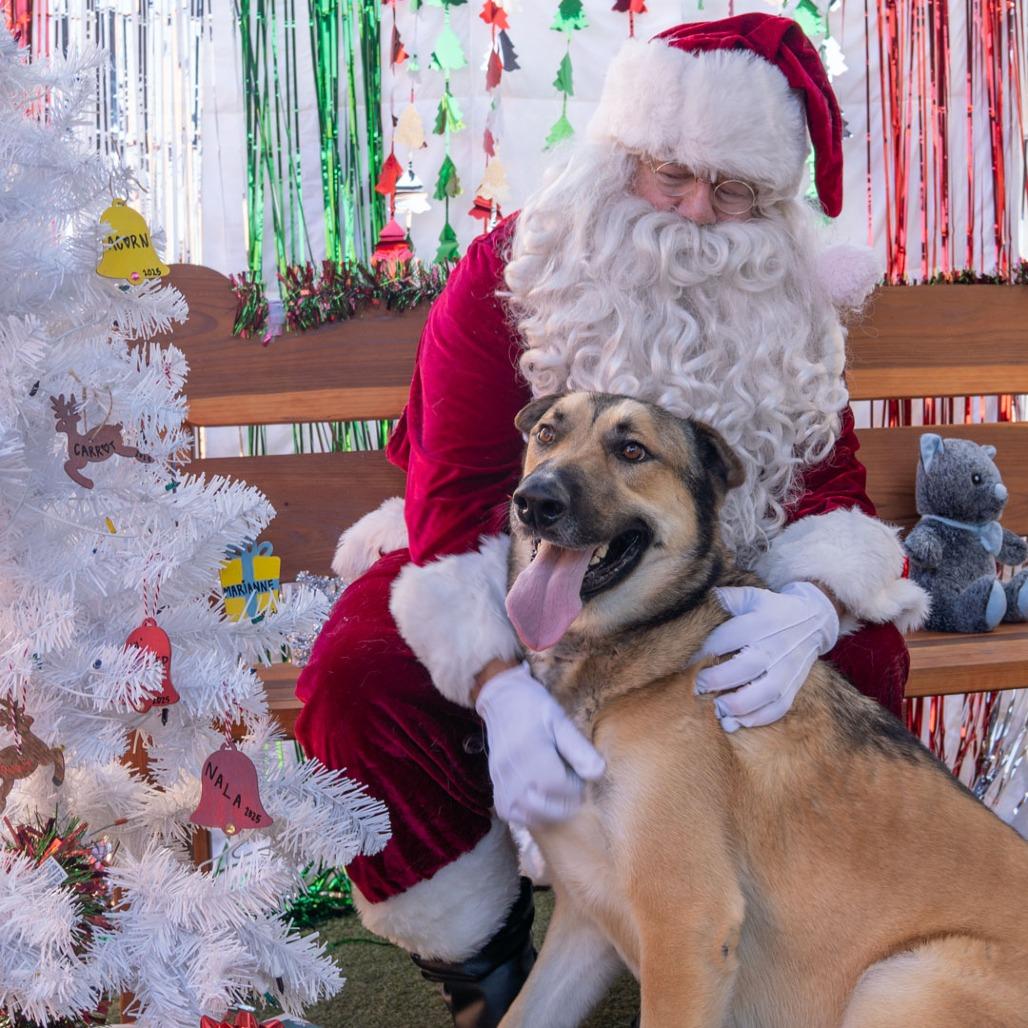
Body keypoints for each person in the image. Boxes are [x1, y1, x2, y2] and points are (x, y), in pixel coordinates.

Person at [295, 13, 929, 1027]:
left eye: (734, 189)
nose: (696, 210)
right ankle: (481, 957)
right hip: (507, 550)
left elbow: (827, 484)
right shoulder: (516, 266)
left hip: (712, 568)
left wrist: (813, 602)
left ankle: (776, 938)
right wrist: (499, 684)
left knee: (861, 661)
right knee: (360, 673)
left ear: (772, 200)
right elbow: (451, 491)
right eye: (670, 174)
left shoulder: (785, 295)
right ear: (620, 155)